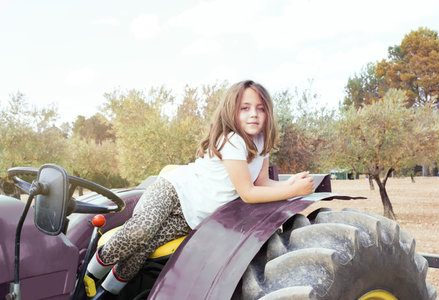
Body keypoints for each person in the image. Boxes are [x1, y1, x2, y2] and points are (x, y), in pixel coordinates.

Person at [86, 80, 315, 297]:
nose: (253, 114)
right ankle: (90, 275)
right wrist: (293, 192)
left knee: (145, 248)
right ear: (231, 112)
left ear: (268, 113)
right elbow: (248, 193)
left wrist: (289, 184)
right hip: (175, 191)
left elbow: (261, 182)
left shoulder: (262, 141)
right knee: (142, 231)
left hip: (193, 215)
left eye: (260, 108)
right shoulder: (233, 140)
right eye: (245, 108)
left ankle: (106, 293)